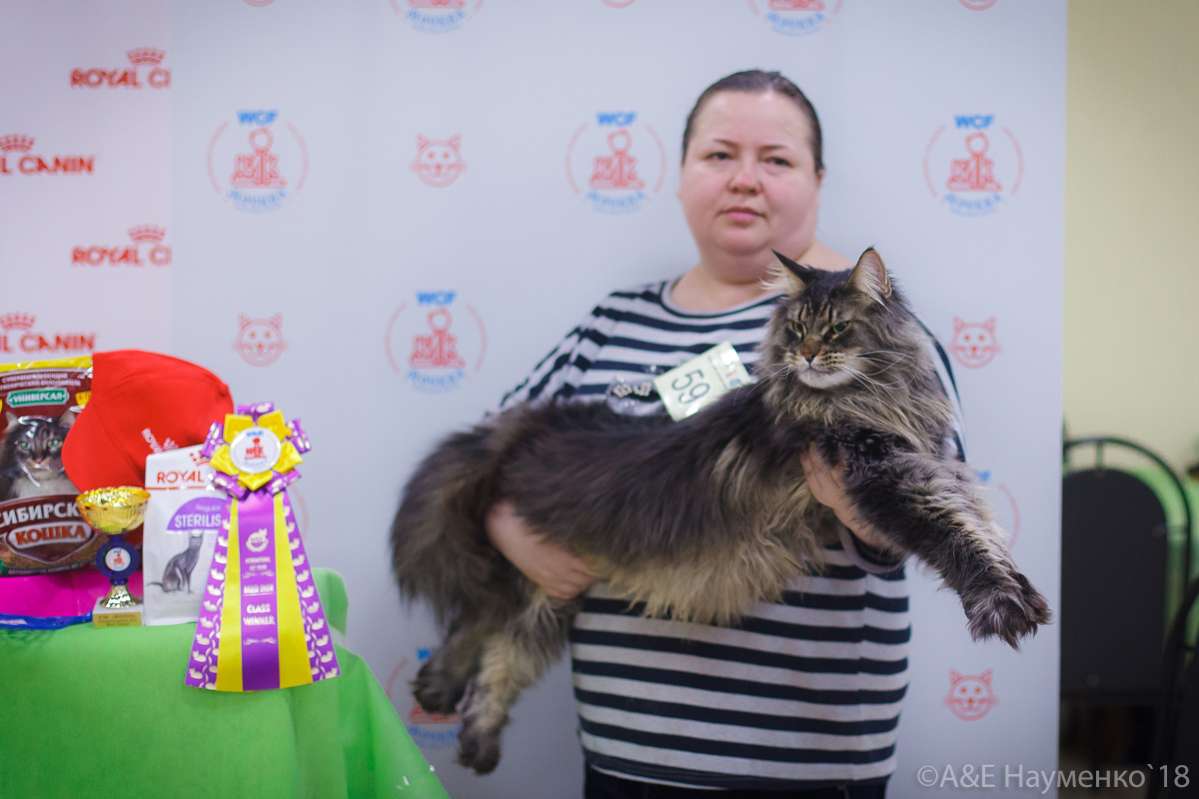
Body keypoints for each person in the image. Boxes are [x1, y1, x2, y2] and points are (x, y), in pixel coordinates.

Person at [488, 70, 964, 798]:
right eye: (719, 155)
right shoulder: (613, 320)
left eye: (776, 159)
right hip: (623, 757)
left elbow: (936, 512)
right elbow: (490, 454)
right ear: (682, 175)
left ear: (817, 181)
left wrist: (863, 501)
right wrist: (514, 532)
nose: (745, 179)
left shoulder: (877, 330)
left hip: (799, 768)